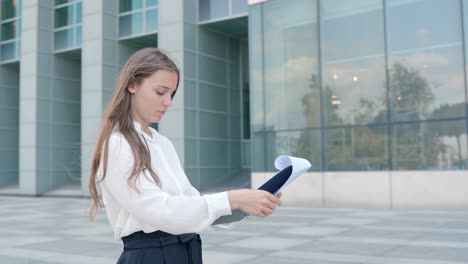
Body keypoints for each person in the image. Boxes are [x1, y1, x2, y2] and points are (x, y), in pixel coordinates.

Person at [88, 48, 282, 264]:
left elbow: (190, 204)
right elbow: (160, 211)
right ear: (132, 85)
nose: (168, 102)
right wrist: (233, 198)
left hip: (187, 251)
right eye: (161, 92)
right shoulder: (117, 145)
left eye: (172, 94)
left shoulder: (162, 143)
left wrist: (246, 204)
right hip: (151, 256)